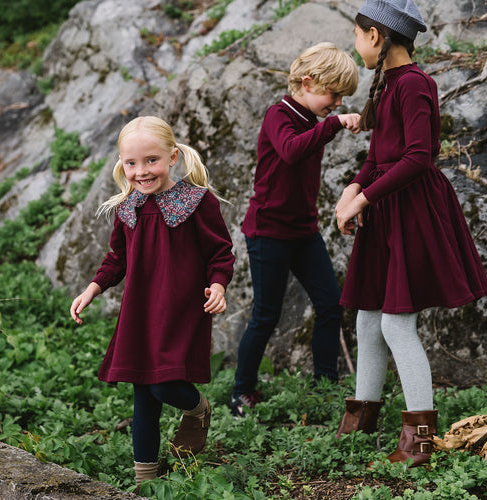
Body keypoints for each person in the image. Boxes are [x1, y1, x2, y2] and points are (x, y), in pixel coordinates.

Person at [334, 0, 487, 467]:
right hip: (384, 206)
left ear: (378, 37)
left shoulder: (416, 85)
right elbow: (378, 154)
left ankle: (419, 441)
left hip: (412, 209)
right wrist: (353, 189)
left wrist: (364, 199)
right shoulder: (385, 86)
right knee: (367, 317)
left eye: (358, 35)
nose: (355, 44)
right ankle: (360, 420)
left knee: (395, 322)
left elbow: (418, 157)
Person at [70, 116, 235, 487]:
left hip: (181, 310)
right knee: (143, 391)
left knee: (163, 384)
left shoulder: (197, 202)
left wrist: (219, 286)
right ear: (122, 164)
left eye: (152, 161)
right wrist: (93, 288)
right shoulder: (127, 207)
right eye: (132, 163)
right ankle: (144, 479)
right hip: (141, 312)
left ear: (173, 157)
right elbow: (117, 259)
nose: (142, 171)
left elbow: (221, 253)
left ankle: (198, 409)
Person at [229, 42, 361, 417]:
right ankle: (241, 392)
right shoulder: (279, 114)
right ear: (308, 82)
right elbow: (290, 150)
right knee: (265, 315)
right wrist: (334, 124)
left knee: (330, 304)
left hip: (303, 232)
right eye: (333, 94)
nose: (336, 103)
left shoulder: (313, 121)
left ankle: (323, 387)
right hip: (268, 233)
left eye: (340, 99)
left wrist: (340, 121)